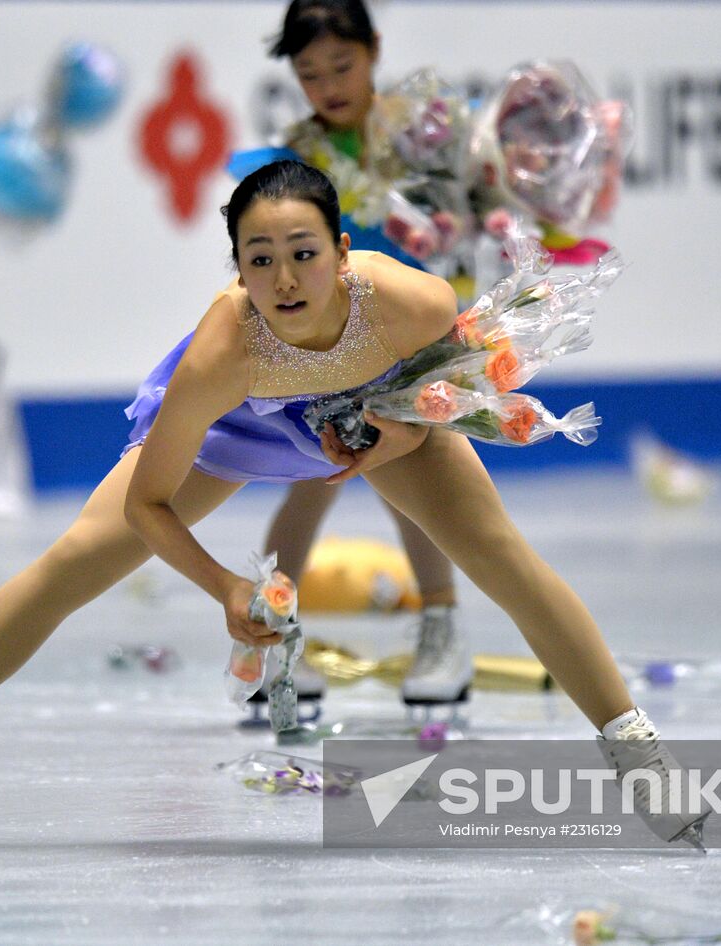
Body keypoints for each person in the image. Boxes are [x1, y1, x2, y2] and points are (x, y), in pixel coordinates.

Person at [0, 161, 708, 850]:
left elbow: (443, 402)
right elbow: (149, 506)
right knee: (74, 562)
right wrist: (223, 588)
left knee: (504, 561)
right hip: (238, 431)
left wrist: (376, 442)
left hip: (374, 415)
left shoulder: (412, 304)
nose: (285, 279)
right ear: (237, 267)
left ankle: (639, 755)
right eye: (260, 260)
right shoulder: (223, 352)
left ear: (339, 248)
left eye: (303, 254)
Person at [246, 0, 471, 711]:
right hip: (327, 343)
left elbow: (464, 215)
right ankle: (271, 632)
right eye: (310, 73)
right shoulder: (294, 156)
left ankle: (440, 625)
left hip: (408, 339)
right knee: (313, 476)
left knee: (416, 481)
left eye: (341, 66)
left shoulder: (422, 136)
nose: (328, 85)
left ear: (374, 50)